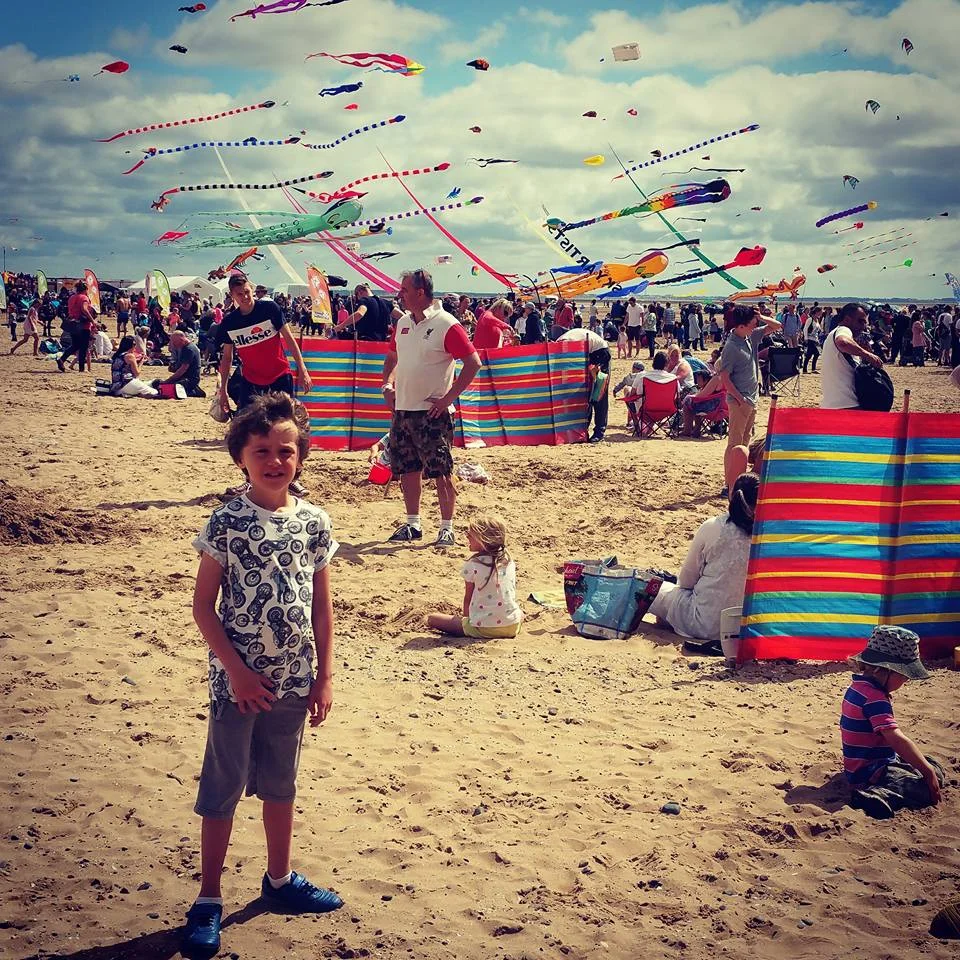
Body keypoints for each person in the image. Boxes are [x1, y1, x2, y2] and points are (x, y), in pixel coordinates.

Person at [185, 394, 342, 957]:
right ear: (241, 459)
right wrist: (238, 672)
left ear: (301, 456)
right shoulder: (226, 521)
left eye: (286, 450)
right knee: (223, 786)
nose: (276, 460)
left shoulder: (315, 522)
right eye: (262, 452)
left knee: (282, 783)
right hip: (239, 685)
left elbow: (322, 607)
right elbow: (204, 606)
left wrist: (325, 677)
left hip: (295, 682)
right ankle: (207, 898)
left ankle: (279, 881)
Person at [382, 269, 482, 546]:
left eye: (404, 289)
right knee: (407, 468)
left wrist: (448, 399)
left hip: (432, 412)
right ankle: (413, 524)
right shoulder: (403, 322)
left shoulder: (446, 323)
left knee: (442, 470)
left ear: (420, 292)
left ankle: (446, 527)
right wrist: (386, 385)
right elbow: (393, 357)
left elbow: (473, 363)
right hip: (403, 409)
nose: (400, 294)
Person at [646, 473, 759, 651]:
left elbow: (686, 581)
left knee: (654, 589)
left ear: (732, 494)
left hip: (705, 624)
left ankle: (669, 621)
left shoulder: (713, 526)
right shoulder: (772, 536)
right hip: (751, 628)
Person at [841, 626, 944, 820]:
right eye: (903, 675)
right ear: (884, 670)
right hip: (870, 771)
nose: (905, 681)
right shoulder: (875, 698)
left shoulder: (857, 687)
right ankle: (875, 795)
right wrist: (928, 773)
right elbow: (896, 739)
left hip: (859, 765)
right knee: (926, 783)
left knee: (931, 764)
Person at [216, 274, 312, 414]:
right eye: (240, 294)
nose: (245, 297)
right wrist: (223, 389)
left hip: (280, 376)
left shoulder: (269, 308)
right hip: (251, 379)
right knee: (247, 426)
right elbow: (227, 358)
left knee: (283, 422)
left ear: (252, 289)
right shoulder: (229, 322)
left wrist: (303, 370)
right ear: (232, 295)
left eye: (247, 292)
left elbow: (289, 339)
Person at [426, 516, 522, 639]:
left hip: (483, 629)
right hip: (512, 626)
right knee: (519, 613)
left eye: (470, 535)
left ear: (483, 540)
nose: (467, 537)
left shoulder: (473, 565)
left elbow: (468, 598)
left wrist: (466, 622)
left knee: (432, 618)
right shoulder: (508, 560)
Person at [716, 305, 781, 449]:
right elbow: (725, 378)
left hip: (752, 399)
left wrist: (761, 317)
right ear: (740, 326)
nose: (755, 327)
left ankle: (740, 471)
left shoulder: (750, 336)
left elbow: (777, 326)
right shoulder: (731, 347)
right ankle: (732, 472)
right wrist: (741, 400)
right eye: (752, 325)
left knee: (745, 442)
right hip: (740, 401)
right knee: (735, 444)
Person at [820, 302, 884, 410]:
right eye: (860, 321)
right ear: (847, 319)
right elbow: (842, 342)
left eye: (865, 323)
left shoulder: (833, 335)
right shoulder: (843, 330)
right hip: (846, 405)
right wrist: (868, 355)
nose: (863, 326)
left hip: (834, 405)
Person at [558, 326, 611, 443]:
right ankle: (583, 430)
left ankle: (599, 432)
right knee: (584, 394)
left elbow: (606, 355)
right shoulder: (561, 345)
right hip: (585, 354)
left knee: (599, 394)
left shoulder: (570, 344)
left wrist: (597, 368)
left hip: (599, 352)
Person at [58, 280, 97, 373]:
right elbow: (84, 309)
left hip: (73, 324)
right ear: (85, 289)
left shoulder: (71, 297)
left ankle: (62, 359)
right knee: (83, 347)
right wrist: (93, 321)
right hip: (83, 325)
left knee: (75, 345)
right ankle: (81, 369)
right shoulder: (84, 297)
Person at [159, 330, 206, 397]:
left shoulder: (189, 349)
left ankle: (194, 391)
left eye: (175, 342)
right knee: (159, 383)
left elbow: (183, 369)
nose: (174, 345)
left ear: (181, 339)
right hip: (184, 377)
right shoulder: (183, 348)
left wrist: (169, 380)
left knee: (171, 388)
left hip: (190, 379)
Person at [802, 306, 823, 374]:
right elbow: (805, 329)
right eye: (820, 312)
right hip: (810, 339)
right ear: (816, 312)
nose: (821, 314)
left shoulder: (817, 320)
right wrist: (806, 338)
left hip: (815, 340)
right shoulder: (810, 319)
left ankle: (807, 369)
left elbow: (818, 330)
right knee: (816, 353)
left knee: (810, 354)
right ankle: (810, 369)